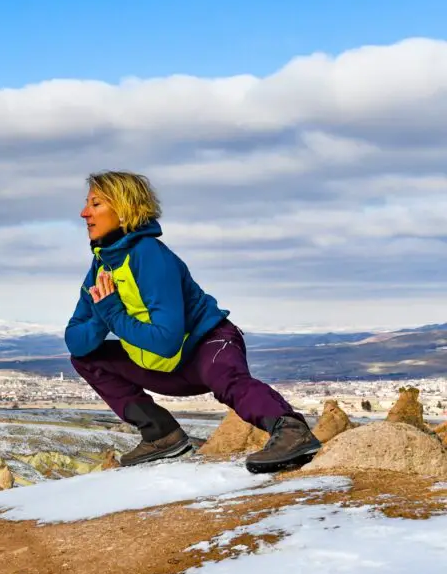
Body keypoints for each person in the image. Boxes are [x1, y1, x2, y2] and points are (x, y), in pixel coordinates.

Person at [65, 170, 321, 473]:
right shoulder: (102, 266)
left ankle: (291, 430)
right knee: (88, 358)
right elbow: (75, 340)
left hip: (207, 345)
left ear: (125, 209)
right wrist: (104, 313)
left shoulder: (149, 255)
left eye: (95, 204)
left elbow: (166, 339)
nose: (84, 213)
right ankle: (162, 435)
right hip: (167, 368)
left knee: (226, 379)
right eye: (87, 204)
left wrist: (112, 313)